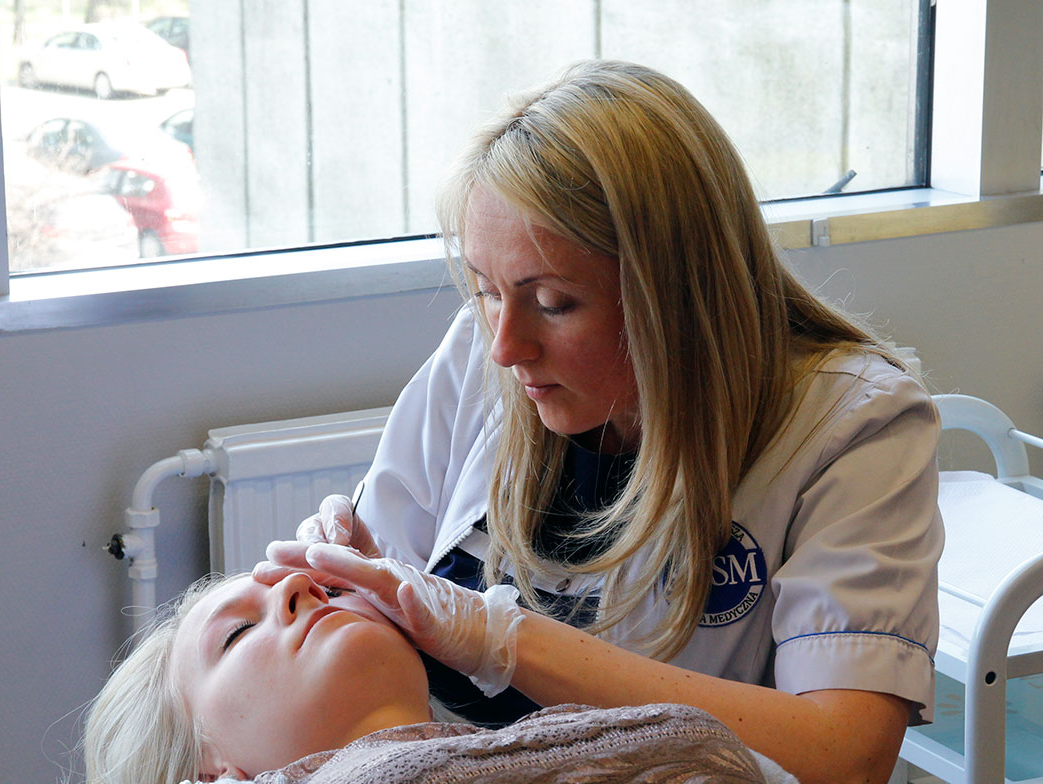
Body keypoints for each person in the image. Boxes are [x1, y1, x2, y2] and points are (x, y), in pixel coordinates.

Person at [257, 59, 943, 784]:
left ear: (676, 297)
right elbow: (390, 595)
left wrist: (504, 641)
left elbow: (846, 756)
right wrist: (362, 583)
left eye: (553, 302)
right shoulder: (480, 352)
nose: (505, 347)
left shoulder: (852, 425)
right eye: (487, 291)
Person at [82, 569, 775, 783]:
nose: (298, 585)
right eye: (236, 633)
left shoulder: (578, 739)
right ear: (209, 773)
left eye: (328, 586)